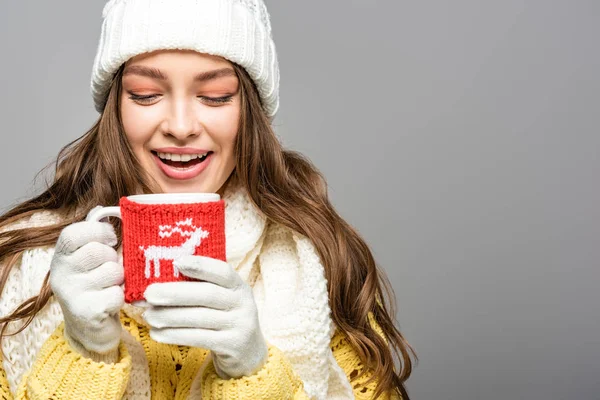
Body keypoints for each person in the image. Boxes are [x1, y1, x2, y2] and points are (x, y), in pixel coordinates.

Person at [0, 0, 416, 399]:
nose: (181, 127)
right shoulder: (17, 265)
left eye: (215, 95)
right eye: (145, 93)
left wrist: (251, 371)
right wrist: (83, 349)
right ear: (116, 109)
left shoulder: (325, 258)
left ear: (250, 112)